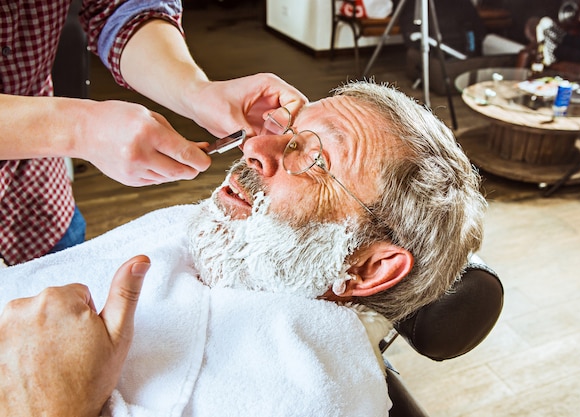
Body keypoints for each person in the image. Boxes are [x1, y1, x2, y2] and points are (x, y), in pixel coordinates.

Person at [0, 81, 488, 416]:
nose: (255, 148)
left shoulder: (306, 399)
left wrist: (49, 404)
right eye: (287, 134)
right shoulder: (222, 236)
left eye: (315, 160)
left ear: (367, 266)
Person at [0, 0, 307, 266]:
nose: (256, 153)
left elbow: (120, 8)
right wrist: (77, 128)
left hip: (37, 203)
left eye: (316, 160)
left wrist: (195, 91)